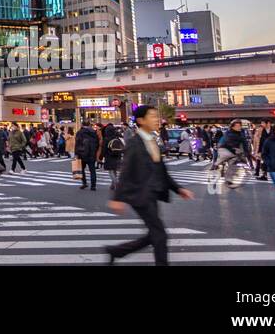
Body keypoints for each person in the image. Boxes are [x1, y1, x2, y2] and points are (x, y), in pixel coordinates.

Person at [105, 106, 194, 265]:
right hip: (140, 195)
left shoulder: (151, 139)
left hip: (152, 193)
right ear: (141, 121)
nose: (156, 119)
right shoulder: (134, 142)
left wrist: (178, 188)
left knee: (153, 234)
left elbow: (161, 170)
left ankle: (116, 251)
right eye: (152, 116)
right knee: (160, 235)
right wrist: (117, 198)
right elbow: (126, 170)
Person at [75, 120, 100, 190]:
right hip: (92, 154)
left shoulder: (79, 132)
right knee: (92, 170)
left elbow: (77, 144)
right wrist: (95, 151)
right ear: (89, 125)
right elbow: (97, 143)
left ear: (82, 125)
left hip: (81, 153)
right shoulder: (93, 132)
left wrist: (76, 153)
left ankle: (84, 183)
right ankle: (93, 186)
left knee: (82, 169)